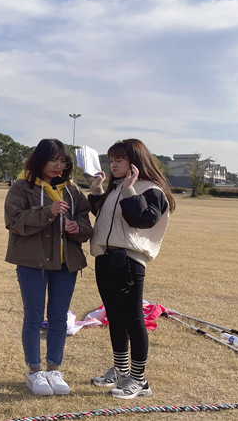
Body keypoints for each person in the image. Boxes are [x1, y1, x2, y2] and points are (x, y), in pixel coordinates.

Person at [4, 139, 93, 395]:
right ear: (40, 160)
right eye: (53, 160)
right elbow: (14, 221)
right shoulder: (22, 187)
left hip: (66, 264)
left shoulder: (72, 189)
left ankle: (54, 369)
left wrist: (77, 228)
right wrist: (48, 211)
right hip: (32, 263)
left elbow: (86, 223)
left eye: (63, 161)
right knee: (33, 317)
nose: (58, 166)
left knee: (58, 318)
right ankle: (34, 372)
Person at [88, 139, 174, 400]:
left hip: (128, 261)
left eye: (119, 160)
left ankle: (139, 380)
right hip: (105, 257)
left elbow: (142, 220)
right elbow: (105, 217)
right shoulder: (118, 186)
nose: (113, 165)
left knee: (133, 319)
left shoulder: (151, 189)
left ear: (134, 162)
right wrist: (97, 189)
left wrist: (129, 190)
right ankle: (121, 370)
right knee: (114, 317)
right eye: (111, 160)